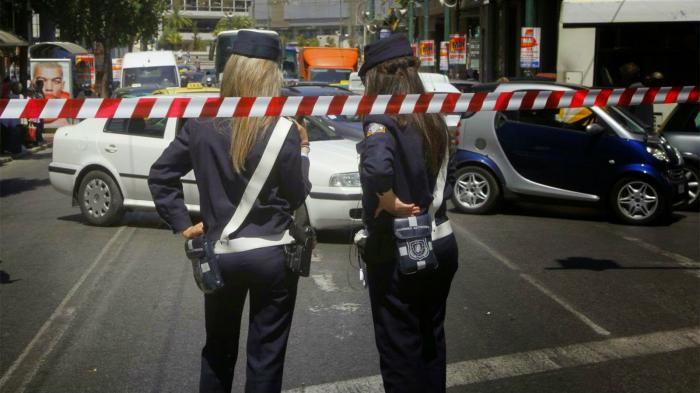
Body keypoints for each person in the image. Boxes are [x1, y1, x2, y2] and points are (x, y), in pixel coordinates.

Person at [148, 30, 311, 393]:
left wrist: (182, 224)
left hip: (220, 255)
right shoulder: (283, 130)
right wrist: (303, 153)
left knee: (218, 352)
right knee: (266, 356)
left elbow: (161, 175)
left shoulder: (202, 125)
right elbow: (297, 193)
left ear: (231, 72)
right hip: (272, 256)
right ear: (270, 76)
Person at [356, 34, 459, 393]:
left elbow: (376, 166)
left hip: (399, 246)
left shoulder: (382, 114)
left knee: (400, 349)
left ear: (375, 78)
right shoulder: (432, 114)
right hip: (442, 239)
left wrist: (385, 197)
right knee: (431, 339)